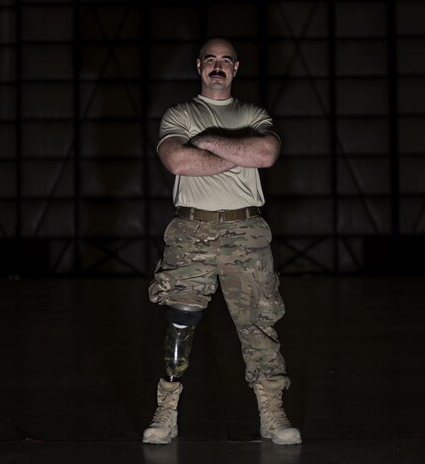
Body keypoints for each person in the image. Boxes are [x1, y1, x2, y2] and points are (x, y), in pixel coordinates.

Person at [142, 37, 301, 446]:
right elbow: (177, 161)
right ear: (198, 66)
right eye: (210, 59)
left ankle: (272, 414)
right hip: (190, 232)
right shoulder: (179, 113)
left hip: (245, 233)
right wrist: (239, 150)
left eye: (225, 61)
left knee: (258, 326)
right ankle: (166, 412)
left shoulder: (253, 113)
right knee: (180, 325)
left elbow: (266, 154)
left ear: (236, 68)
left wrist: (208, 140)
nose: (218, 66)